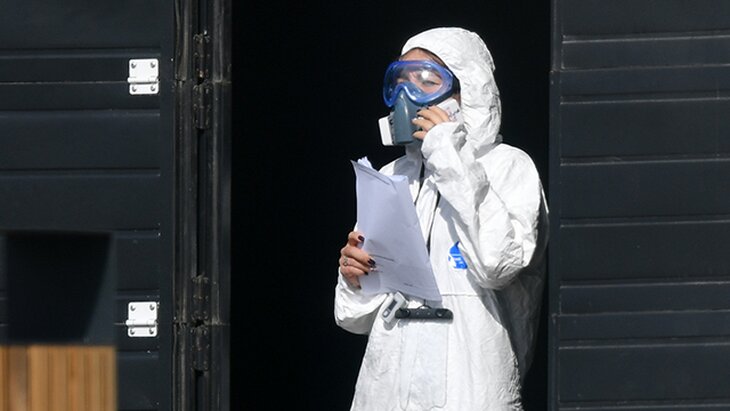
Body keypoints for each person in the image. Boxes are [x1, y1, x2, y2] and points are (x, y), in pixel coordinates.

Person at [334, 27, 548, 410]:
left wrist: (448, 155)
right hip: (387, 393)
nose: (408, 96)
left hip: (471, 390)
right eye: (400, 82)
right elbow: (356, 319)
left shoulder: (509, 168)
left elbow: (496, 265)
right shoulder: (392, 176)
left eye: (427, 82)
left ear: (468, 94)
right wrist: (354, 278)